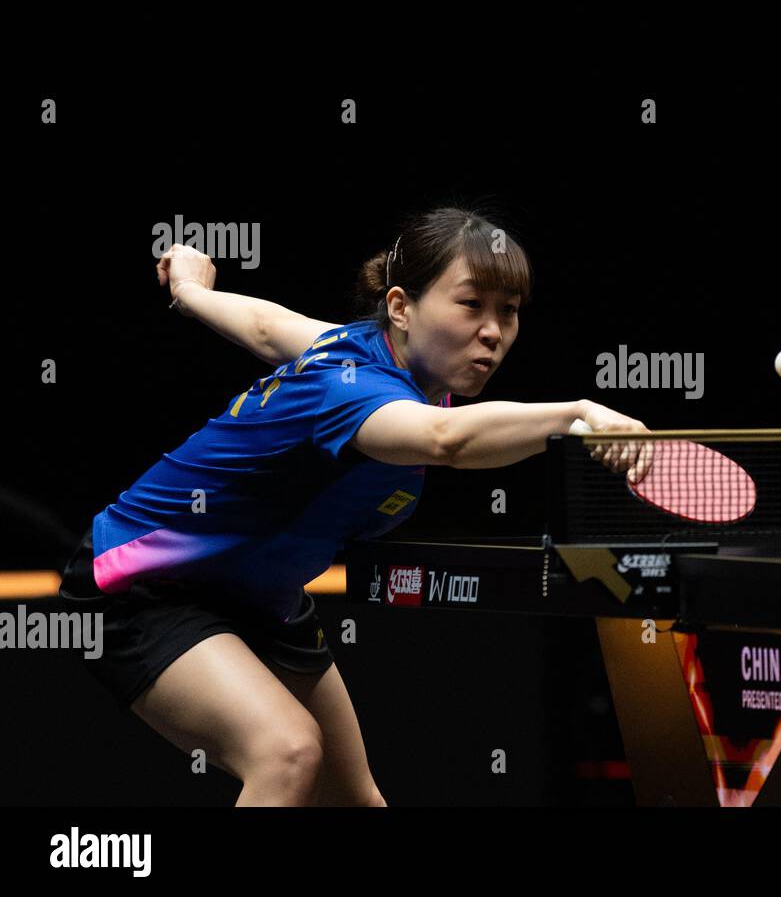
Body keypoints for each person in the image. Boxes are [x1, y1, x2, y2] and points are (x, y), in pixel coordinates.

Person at [60, 206, 649, 805]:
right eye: (472, 305)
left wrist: (189, 290)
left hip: (259, 597)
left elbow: (265, 325)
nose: (493, 331)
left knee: (355, 798)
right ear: (400, 307)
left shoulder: (372, 356)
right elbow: (447, 442)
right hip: (143, 584)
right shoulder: (353, 387)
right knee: (286, 753)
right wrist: (576, 414)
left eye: (509, 311)